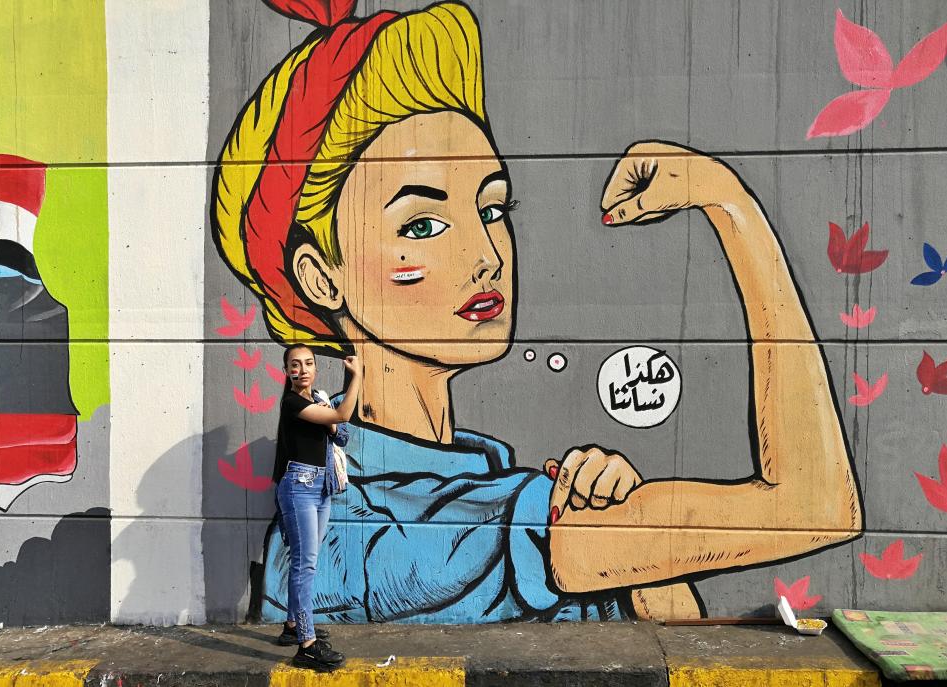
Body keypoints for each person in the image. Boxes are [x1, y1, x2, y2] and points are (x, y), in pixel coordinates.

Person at [211, 0, 861, 625]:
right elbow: (813, 505)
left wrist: (635, 546)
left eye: (492, 209)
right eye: (424, 222)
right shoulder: (364, 526)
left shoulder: (485, 478)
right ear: (320, 275)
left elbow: (673, 632)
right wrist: (729, 204)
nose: (485, 253)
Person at [273, 343, 361, 670]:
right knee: (304, 564)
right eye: (295, 364)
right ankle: (307, 645)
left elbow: (341, 436)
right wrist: (355, 378)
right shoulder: (292, 402)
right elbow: (342, 416)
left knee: (306, 561)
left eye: (308, 363)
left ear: (315, 368)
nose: (303, 369)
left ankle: (293, 626)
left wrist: (331, 414)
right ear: (288, 372)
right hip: (299, 488)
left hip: (321, 488)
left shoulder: (317, 399)